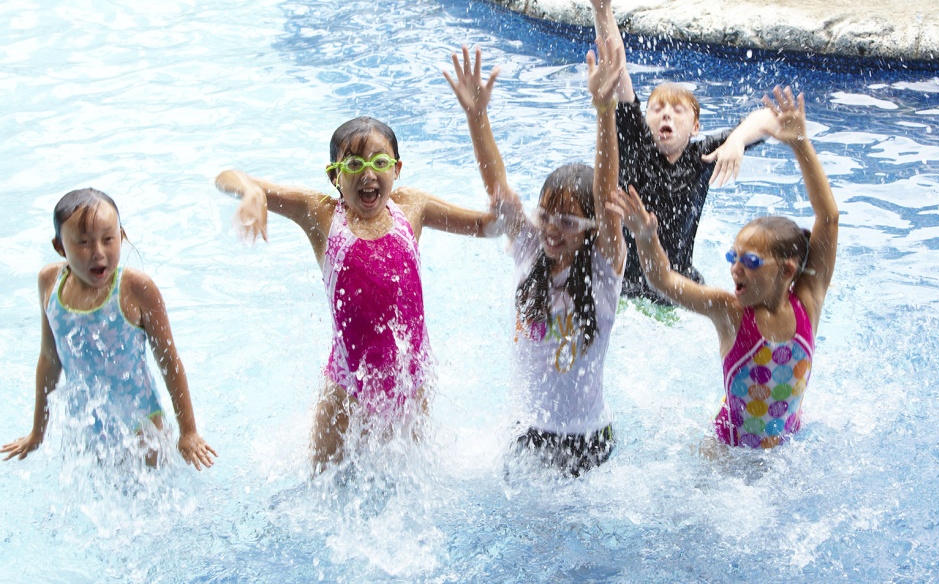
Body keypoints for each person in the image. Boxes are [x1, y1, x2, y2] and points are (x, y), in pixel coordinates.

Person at [215, 117, 496, 472]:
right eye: (353, 164)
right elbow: (224, 177)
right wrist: (253, 191)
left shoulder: (413, 206)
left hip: (412, 389)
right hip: (347, 396)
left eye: (380, 162)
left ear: (397, 169)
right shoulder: (320, 214)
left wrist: (477, 119)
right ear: (334, 176)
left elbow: (488, 226)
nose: (368, 174)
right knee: (321, 492)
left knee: (412, 487)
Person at [607, 87, 838, 450]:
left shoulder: (808, 302)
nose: (735, 271)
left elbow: (829, 217)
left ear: (788, 270)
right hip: (726, 454)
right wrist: (644, 236)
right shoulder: (729, 311)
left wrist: (800, 145)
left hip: (785, 449)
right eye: (734, 258)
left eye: (750, 262)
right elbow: (662, 280)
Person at [444, 40, 627, 476]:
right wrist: (477, 117)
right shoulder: (529, 250)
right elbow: (497, 186)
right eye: (546, 215)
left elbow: (606, 194)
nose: (551, 229)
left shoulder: (604, 268)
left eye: (567, 221)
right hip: (525, 432)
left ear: (592, 230)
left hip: (586, 439)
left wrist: (605, 112)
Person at [582, 0, 783, 305]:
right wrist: (603, 9)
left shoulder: (703, 154)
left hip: (676, 289)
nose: (666, 117)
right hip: (625, 289)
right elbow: (618, 70)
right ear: (645, 119)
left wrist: (736, 140)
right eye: (657, 109)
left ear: (695, 126)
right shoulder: (636, 143)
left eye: (678, 111)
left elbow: (772, 118)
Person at [2, 189, 217, 470]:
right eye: (83, 242)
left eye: (108, 239)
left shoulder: (136, 289)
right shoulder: (49, 282)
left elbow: (169, 360)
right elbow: (49, 359)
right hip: (87, 433)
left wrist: (188, 431)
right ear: (59, 247)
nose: (98, 253)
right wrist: (37, 433)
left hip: (143, 433)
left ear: (122, 236)